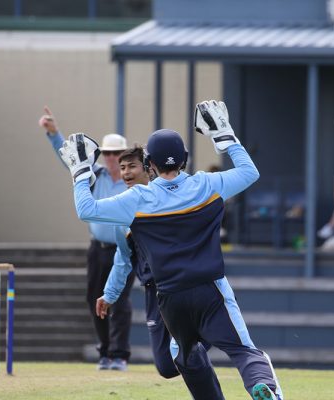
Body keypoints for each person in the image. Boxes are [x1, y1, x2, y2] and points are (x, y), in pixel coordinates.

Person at [59, 100, 283, 399]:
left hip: (170, 296)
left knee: (186, 357)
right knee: (244, 351)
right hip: (210, 289)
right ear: (185, 159)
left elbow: (86, 210)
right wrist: (224, 135)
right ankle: (263, 387)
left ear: (149, 164)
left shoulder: (138, 200)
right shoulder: (207, 186)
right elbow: (249, 172)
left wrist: (80, 171)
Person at [97, 146, 217, 387]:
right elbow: (123, 259)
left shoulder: (168, 199)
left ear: (149, 168)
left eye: (132, 166)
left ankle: (211, 336)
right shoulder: (124, 212)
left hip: (184, 284)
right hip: (154, 292)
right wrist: (109, 294)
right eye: (122, 168)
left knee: (188, 353)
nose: (126, 172)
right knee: (166, 366)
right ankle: (197, 348)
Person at [39, 106, 135, 371]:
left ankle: (119, 354)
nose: (112, 157)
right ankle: (105, 351)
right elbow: (72, 163)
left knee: (121, 301)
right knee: (94, 297)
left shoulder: (131, 179)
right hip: (98, 248)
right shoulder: (97, 175)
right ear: (102, 155)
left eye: (117, 153)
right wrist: (54, 134)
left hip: (124, 249)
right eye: (107, 153)